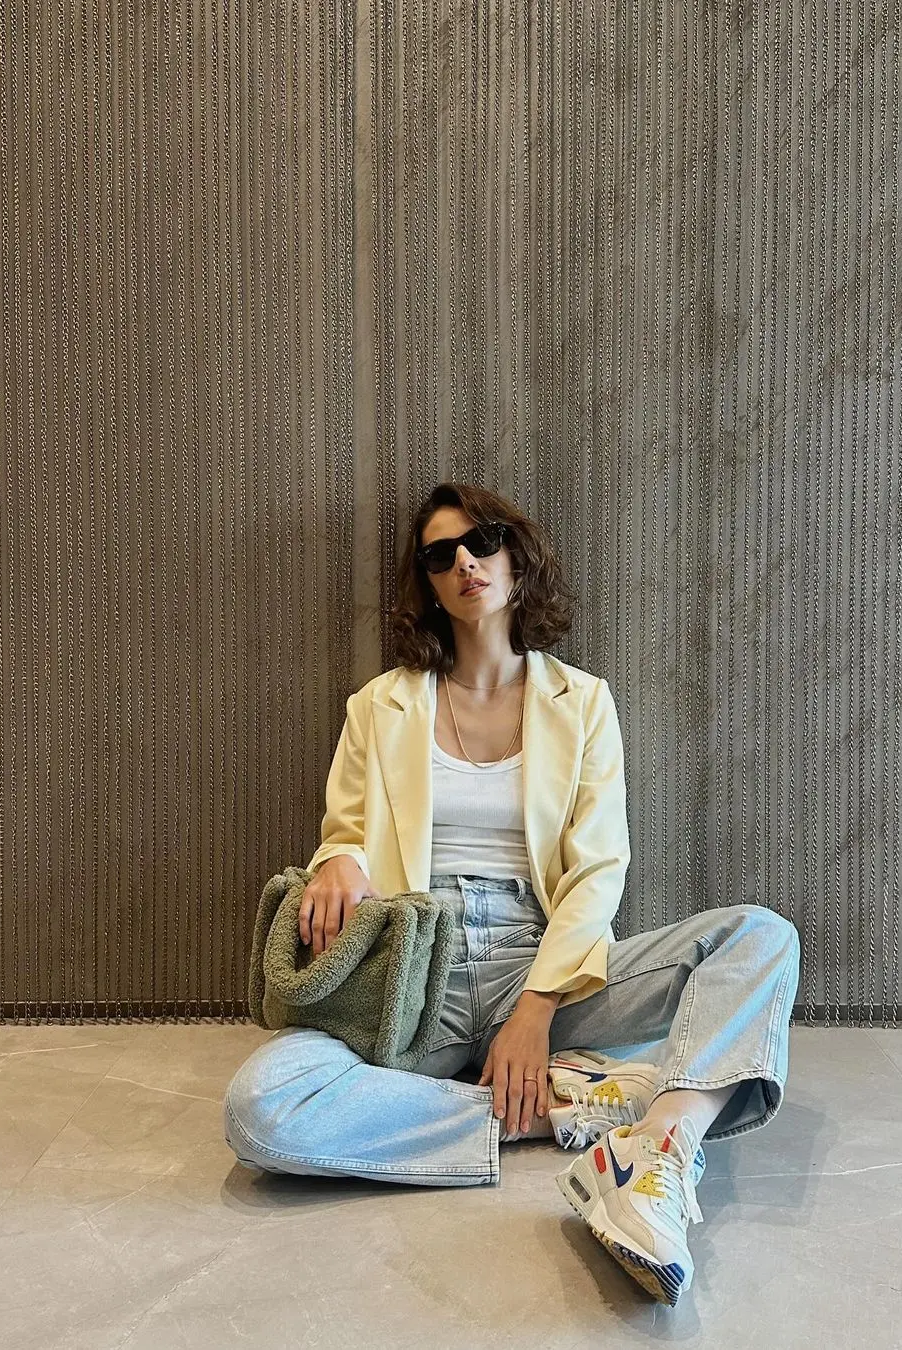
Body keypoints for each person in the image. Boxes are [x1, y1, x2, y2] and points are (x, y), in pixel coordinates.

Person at [223, 480, 801, 1309]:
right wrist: (338, 860)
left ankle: (656, 1146)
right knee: (260, 1109)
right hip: (415, 975)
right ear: (429, 585)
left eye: (482, 540)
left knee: (760, 936)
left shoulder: (582, 702)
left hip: (542, 961)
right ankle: (557, 1112)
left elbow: (598, 871)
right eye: (440, 554)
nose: (464, 560)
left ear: (515, 558)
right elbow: (345, 834)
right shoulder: (380, 706)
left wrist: (534, 1010)